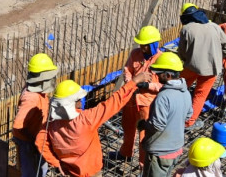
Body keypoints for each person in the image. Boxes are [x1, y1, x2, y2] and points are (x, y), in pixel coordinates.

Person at [35, 72, 152, 177]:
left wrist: (56, 163)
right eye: (78, 99)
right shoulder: (87, 119)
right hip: (91, 172)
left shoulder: (50, 122)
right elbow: (114, 102)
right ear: (71, 104)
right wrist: (134, 82)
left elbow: (40, 141)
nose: (81, 101)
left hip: (69, 170)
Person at [112, 26, 164, 169]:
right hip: (131, 98)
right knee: (127, 126)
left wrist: (149, 86)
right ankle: (125, 152)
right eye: (141, 44)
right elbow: (128, 70)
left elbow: (164, 86)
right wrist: (131, 82)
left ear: (153, 44)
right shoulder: (135, 53)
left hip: (146, 104)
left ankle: (143, 165)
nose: (142, 47)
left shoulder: (161, 60)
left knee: (144, 135)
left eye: (145, 45)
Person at [177, 3, 226, 129]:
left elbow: (181, 52)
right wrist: (217, 57)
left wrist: (188, 59)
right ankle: (189, 123)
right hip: (211, 69)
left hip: (191, 67)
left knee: (179, 89)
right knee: (200, 95)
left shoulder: (187, 29)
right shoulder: (214, 27)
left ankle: (171, 113)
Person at [140, 52, 193, 177]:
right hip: (176, 149)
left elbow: (157, 125)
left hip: (160, 152)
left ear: (168, 75)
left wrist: (143, 124)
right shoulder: (186, 92)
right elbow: (188, 115)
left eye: (159, 74)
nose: (157, 77)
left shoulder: (163, 96)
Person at [12, 54, 58, 177]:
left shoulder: (38, 91)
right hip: (29, 143)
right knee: (31, 173)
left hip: (37, 137)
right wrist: (32, 142)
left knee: (41, 169)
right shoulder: (31, 98)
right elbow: (17, 127)